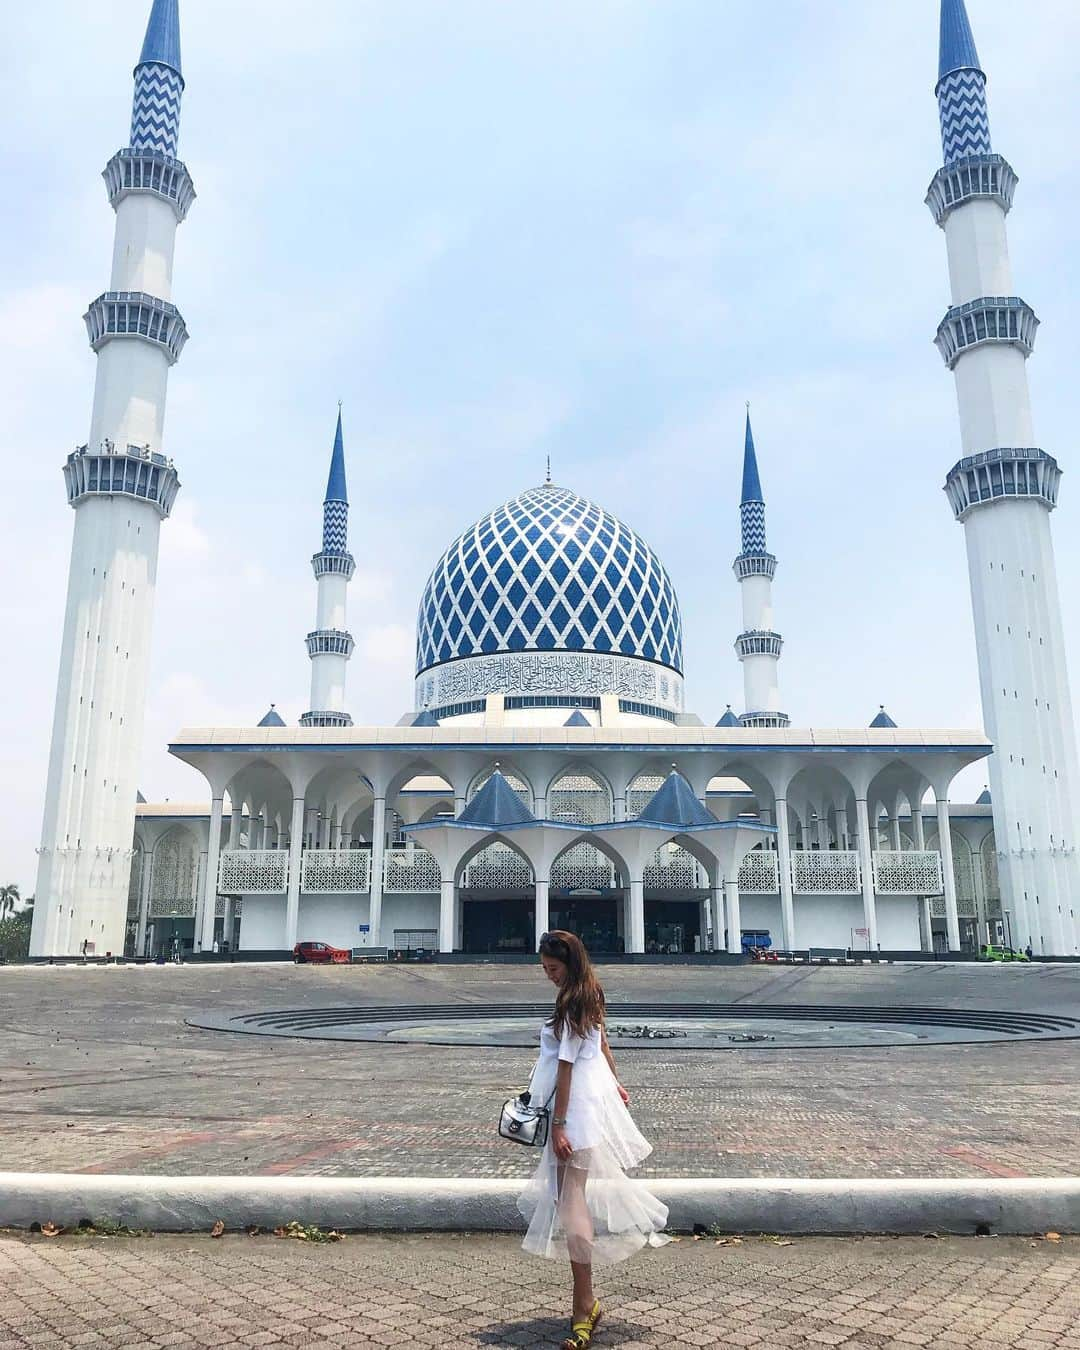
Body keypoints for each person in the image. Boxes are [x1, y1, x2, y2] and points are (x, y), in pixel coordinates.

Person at [518, 930, 669, 1350]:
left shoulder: (571, 1001)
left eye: (552, 968)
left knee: (569, 1204)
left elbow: (566, 1065)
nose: (548, 975)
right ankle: (584, 1301)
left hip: (573, 1109)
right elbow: (602, 1043)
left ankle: (584, 1305)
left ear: (569, 964)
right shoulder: (590, 991)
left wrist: (561, 1124)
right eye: (545, 969)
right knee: (568, 1200)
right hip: (586, 1102)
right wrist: (616, 1084)